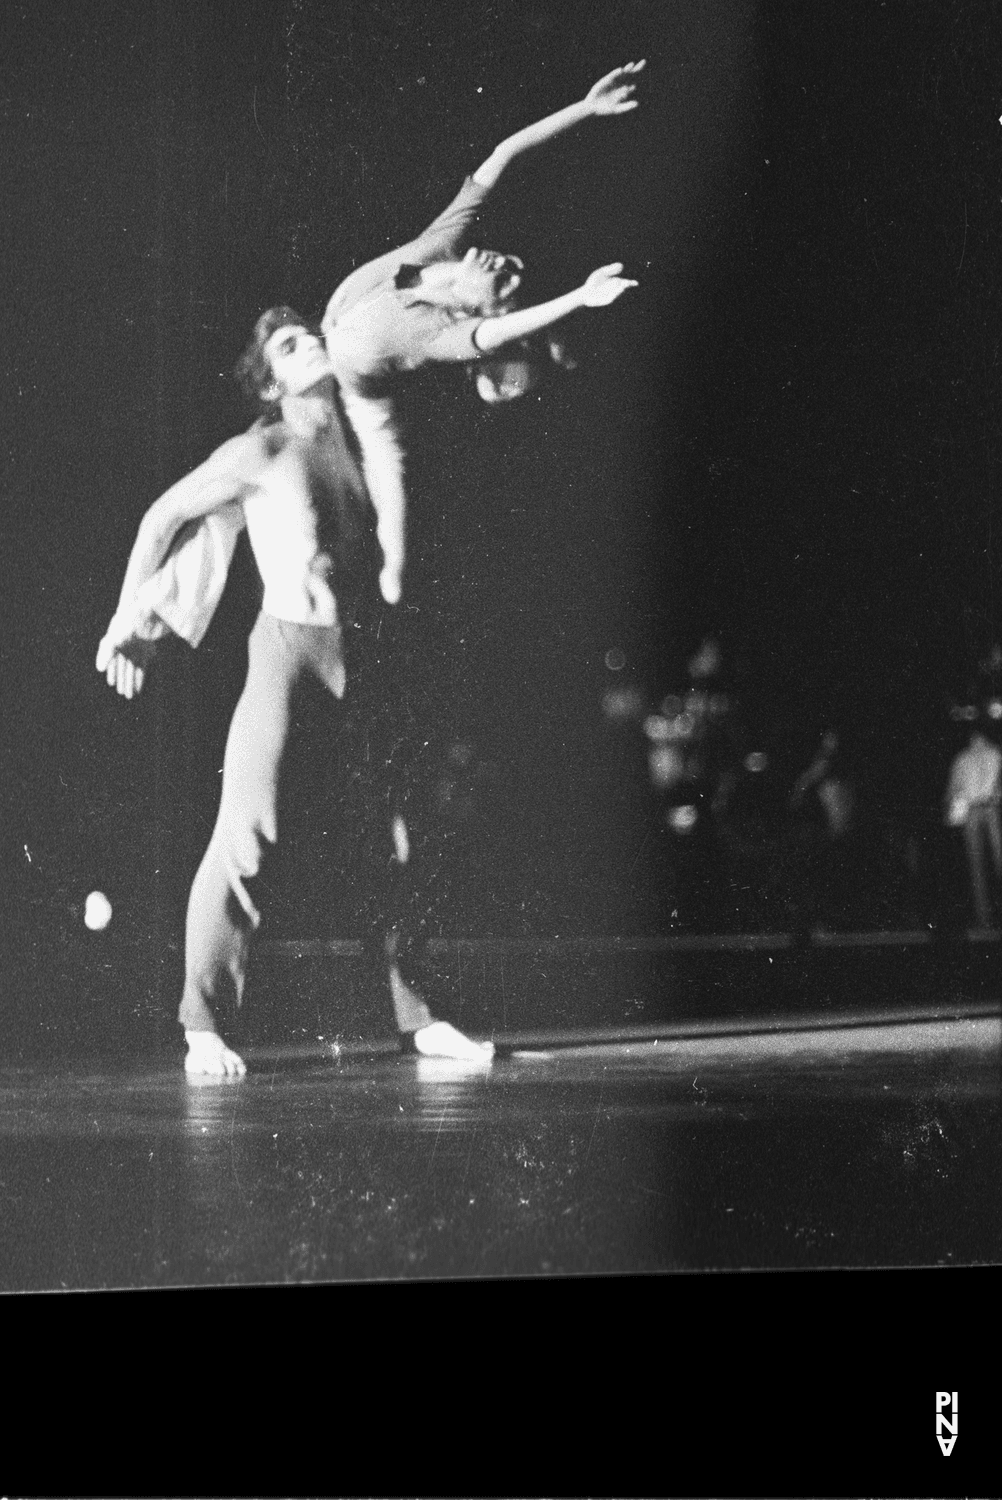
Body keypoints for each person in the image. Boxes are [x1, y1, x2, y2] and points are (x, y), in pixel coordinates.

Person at [95, 312, 494, 1075]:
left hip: (365, 657)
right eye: (288, 345)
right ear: (272, 383)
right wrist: (126, 620)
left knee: (403, 837)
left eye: (312, 332)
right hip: (288, 656)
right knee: (249, 835)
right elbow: (162, 519)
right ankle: (203, 1026)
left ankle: (422, 1018)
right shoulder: (261, 449)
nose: (311, 341)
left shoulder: (362, 434)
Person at [321, 59, 646, 607]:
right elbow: (505, 153)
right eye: (513, 263)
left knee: (385, 463)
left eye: (506, 279)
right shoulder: (447, 237)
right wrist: (586, 109)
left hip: (362, 382)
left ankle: (393, 562)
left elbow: (501, 334)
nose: (505, 261)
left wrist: (578, 299)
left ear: (485, 312)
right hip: (339, 318)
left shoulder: (445, 336)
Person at [944, 724, 1002, 930]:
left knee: (988, 863)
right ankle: (983, 917)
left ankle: (985, 916)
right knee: (978, 864)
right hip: (975, 811)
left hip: (989, 810)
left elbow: (952, 789)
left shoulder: (993, 753)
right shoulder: (966, 758)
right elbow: (952, 789)